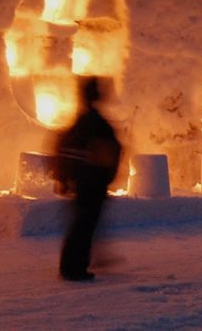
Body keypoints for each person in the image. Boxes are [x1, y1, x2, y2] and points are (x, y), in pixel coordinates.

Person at [54, 76, 122, 281]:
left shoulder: (81, 123)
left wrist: (64, 177)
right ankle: (73, 269)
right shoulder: (97, 125)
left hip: (84, 181)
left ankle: (73, 265)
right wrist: (106, 177)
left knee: (82, 225)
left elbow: (64, 148)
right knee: (83, 226)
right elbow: (109, 152)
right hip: (92, 182)